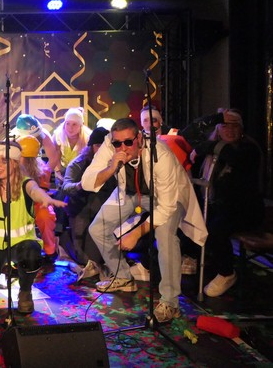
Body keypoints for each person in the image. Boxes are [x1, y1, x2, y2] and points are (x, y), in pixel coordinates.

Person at [82, 118, 207, 323]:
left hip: (164, 198)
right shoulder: (109, 145)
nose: (123, 148)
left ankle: (170, 302)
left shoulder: (161, 154)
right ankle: (123, 277)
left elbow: (166, 206)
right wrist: (112, 167)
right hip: (130, 194)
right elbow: (87, 182)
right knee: (97, 228)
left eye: (128, 142)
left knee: (165, 235)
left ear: (139, 138)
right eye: (117, 143)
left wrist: (137, 233)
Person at [0, 141, 66, 314]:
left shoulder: (26, 183)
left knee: (32, 253)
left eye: (4, 160)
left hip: (20, 245)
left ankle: (25, 292)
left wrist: (44, 198)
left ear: (15, 163)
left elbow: (34, 190)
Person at [191, 109, 265, 297]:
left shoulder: (249, 149)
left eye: (235, 125)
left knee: (216, 228)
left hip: (246, 209)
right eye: (225, 125)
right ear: (218, 129)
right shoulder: (213, 151)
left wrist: (207, 146)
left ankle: (226, 273)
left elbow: (233, 158)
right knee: (191, 218)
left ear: (241, 129)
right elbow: (191, 139)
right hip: (221, 206)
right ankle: (193, 259)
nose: (230, 130)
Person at [58, 127, 113, 280]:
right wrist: (80, 185)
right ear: (91, 147)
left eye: (105, 146)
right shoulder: (78, 163)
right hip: (79, 207)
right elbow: (66, 186)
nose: (101, 150)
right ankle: (64, 241)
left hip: (103, 208)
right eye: (98, 146)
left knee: (99, 256)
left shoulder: (114, 162)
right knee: (84, 258)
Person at [17, 135, 58, 261]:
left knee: (45, 215)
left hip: (36, 202)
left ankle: (50, 251)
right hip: (16, 202)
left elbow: (41, 194)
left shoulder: (42, 171)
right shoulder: (10, 168)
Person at [140, 106, 193, 172]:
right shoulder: (139, 140)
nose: (149, 124)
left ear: (160, 120)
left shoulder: (175, 134)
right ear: (141, 123)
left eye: (153, 120)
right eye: (145, 121)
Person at [52, 107, 92, 182]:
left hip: (80, 170)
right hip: (63, 169)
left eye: (74, 124)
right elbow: (56, 155)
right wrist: (58, 173)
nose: (70, 128)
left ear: (80, 125)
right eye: (68, 123)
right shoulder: (58, 135)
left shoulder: (88, 137)